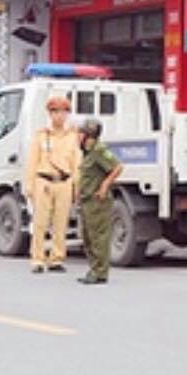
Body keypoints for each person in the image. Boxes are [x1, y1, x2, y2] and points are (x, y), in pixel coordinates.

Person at [24, 95, 82, 274]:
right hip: (43, 181)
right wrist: (29, 185)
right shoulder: (41, 135)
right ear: (49, 113)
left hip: (64, 182)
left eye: (64, 112)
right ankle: (37, 258)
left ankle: (56, 258)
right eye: (55, 112)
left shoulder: (72, 136)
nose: (60, 116)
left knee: (61, 222)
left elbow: (76, 162)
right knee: (40, 222)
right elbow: (32, 161)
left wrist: (76, 186)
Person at [75, 118, 123, 285]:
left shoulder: (98, 151)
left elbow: (117, 167)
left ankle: (100, 272)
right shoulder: (87, 153)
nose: (77, 136)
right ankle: (94, 269)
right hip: (87, 200)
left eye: (79, 133)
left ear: (88, 135)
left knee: (98, 238)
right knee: (88, 237)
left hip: (97, 202)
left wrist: (104, 185)